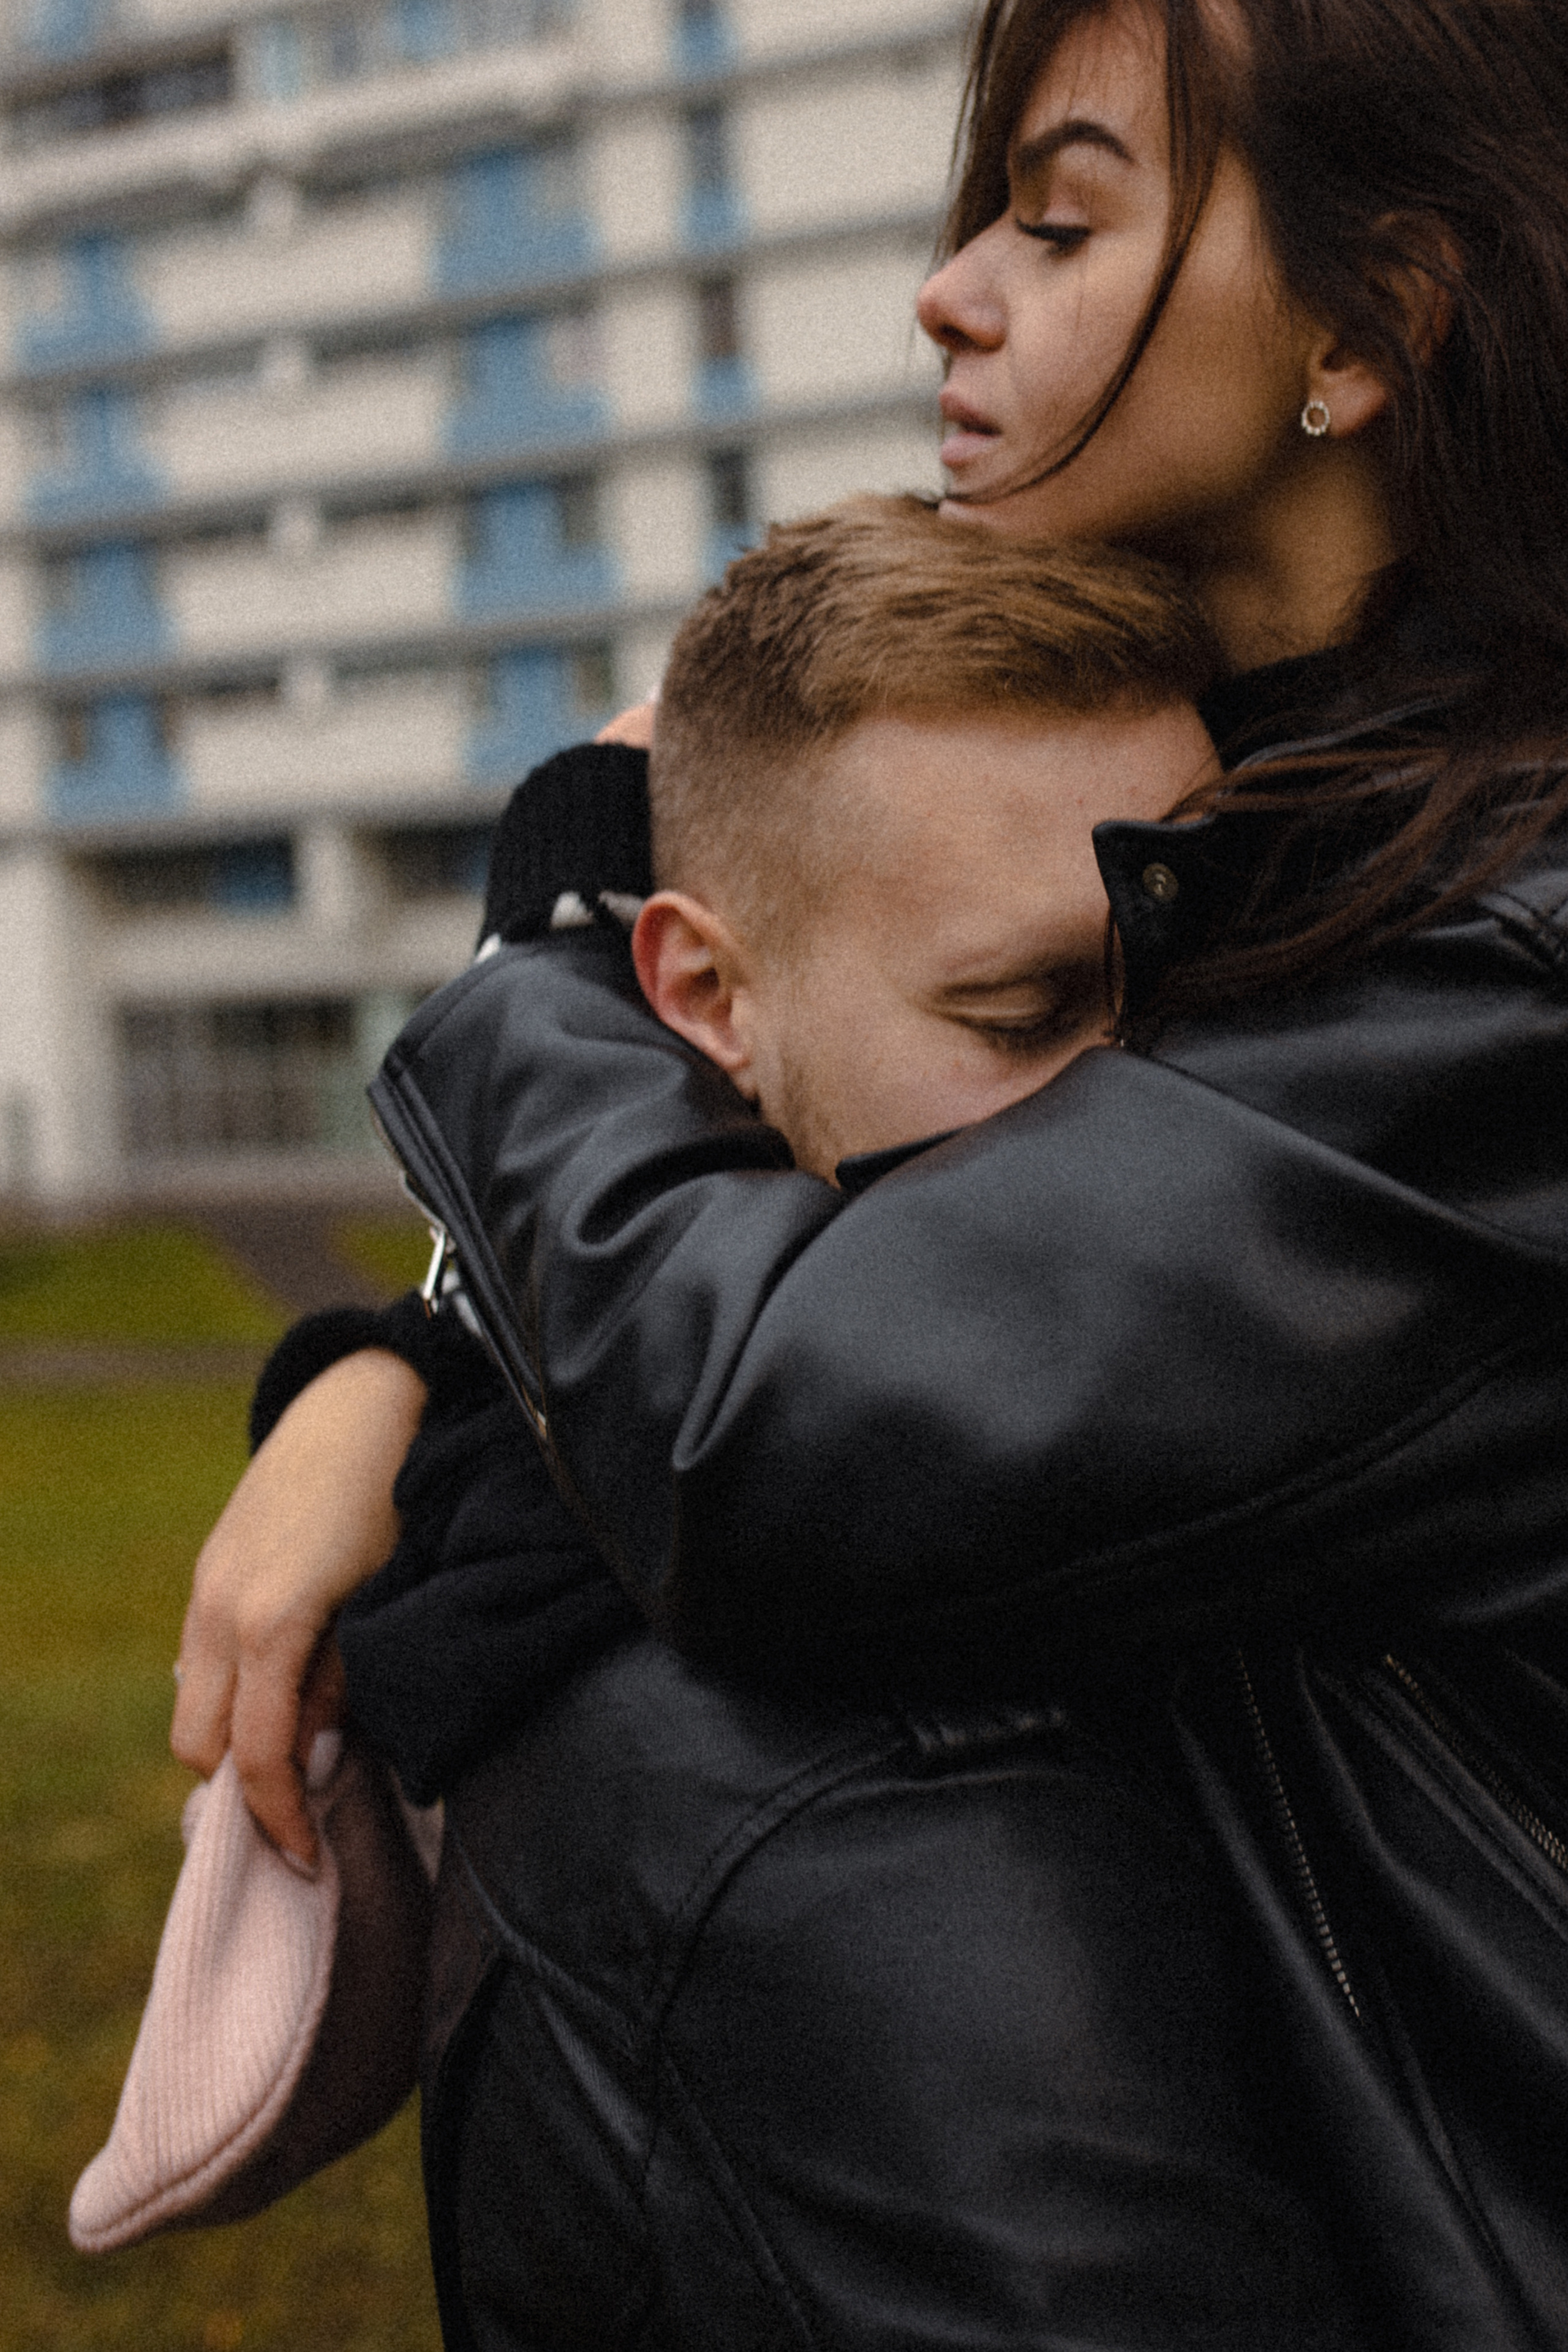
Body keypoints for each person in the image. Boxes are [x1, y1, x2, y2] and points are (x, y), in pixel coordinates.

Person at [174, 0, 1568, 2341]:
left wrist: (542, 947)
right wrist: (406, 1360)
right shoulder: (1299, 833)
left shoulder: (1504, 955)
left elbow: (791, 1429)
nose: (947, 284)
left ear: (1376, 321)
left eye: (1063, 216)